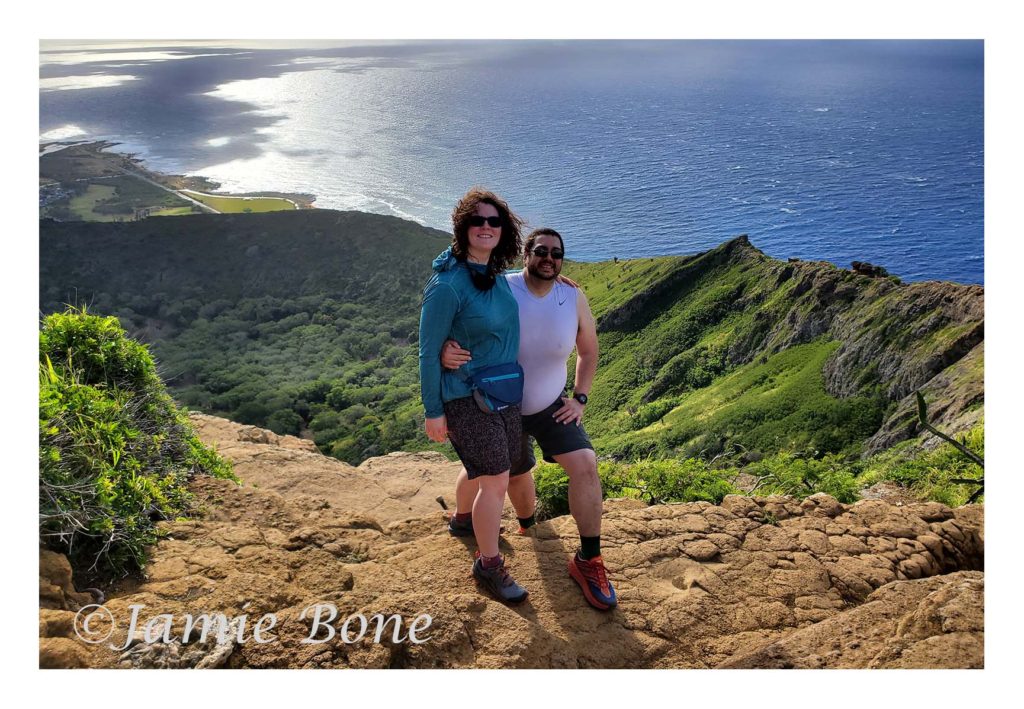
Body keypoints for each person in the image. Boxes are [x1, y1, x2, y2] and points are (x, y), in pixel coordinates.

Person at [441, 228, 617, 610]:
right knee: (500, 473)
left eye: (556, 253)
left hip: (552, 405)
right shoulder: (501, 288)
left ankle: (589, 559)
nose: (549, 259)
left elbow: (589, 352)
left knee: (586, 464)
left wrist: (580, 398)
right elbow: (458, 316)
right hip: (499, 407)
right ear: (525, 254)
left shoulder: (572, 296)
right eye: (541, 251)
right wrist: (444, 349)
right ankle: (467, 518)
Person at [419, 187, 529, 604]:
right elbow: (429, 351)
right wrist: (433, 410)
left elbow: (525, 285)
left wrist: (564, 283)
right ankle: (488, 564)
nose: (486, 227)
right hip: (465, 396)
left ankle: (463, 519)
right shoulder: (448, 286)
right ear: (462, 228)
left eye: (494, 221)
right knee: (497, 478)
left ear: (504, 230)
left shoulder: (497, 278)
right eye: (477, 221)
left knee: (485, 469)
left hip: (502, 391)